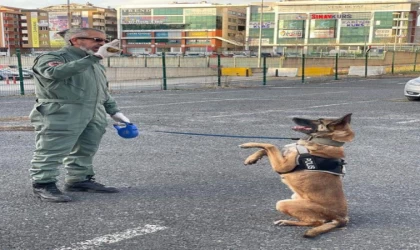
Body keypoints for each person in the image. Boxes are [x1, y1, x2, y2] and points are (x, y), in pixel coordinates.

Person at [29, 28, 131, 202]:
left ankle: (79, 180)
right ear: (75, 40)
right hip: (61, 111)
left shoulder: (94, 62)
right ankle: (43, 183)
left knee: (86, 148)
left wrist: (114, 111)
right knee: (52, 149)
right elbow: (54, 73)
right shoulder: (54, 58)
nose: (102, 44)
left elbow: (102, 90)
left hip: (93, 111)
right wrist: (95, 57)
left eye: (104, 41)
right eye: (97, 40)